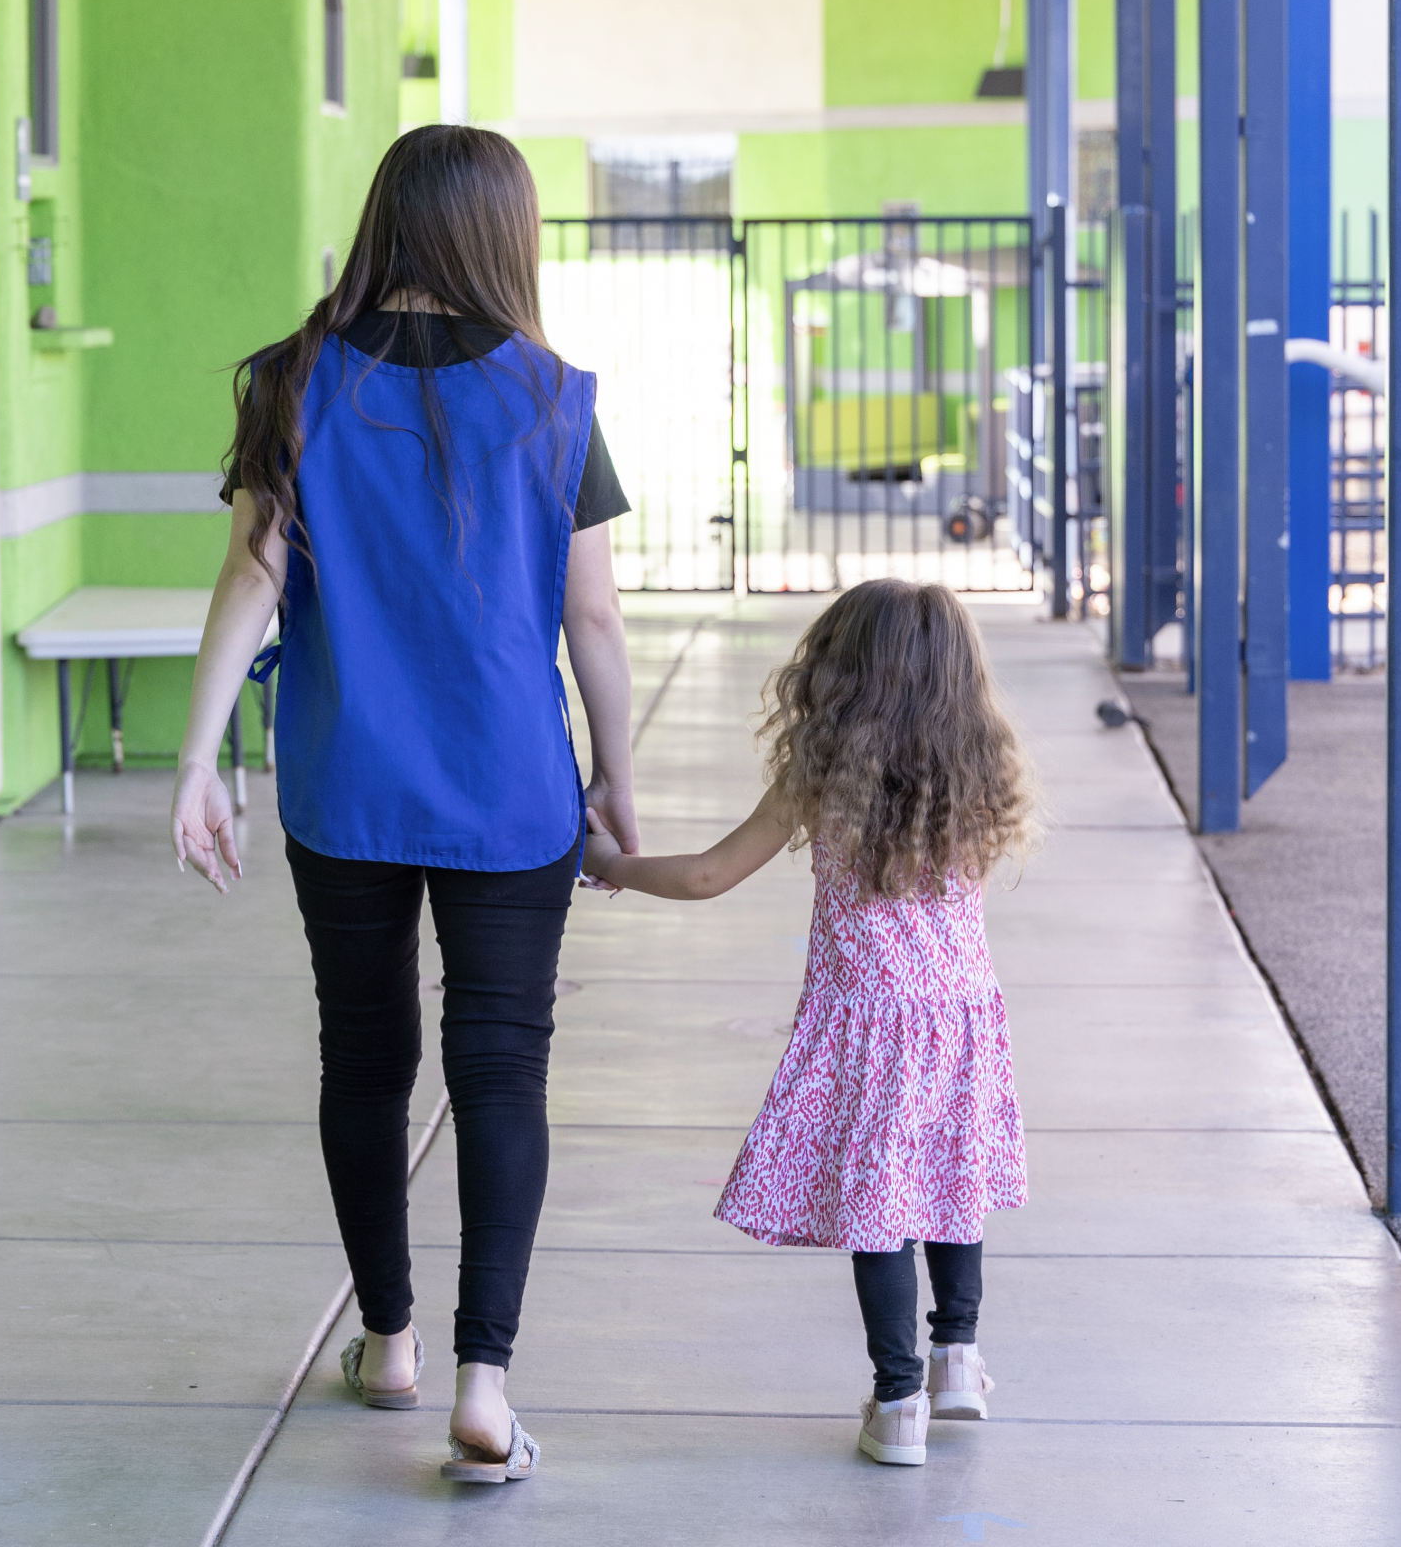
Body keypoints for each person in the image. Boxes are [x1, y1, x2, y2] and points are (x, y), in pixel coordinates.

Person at [170, 124, 636, 1486]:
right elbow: (592, 616)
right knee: (500, 1069)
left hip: (345, 788)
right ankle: (483, 1382)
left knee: (364, 1059)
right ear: (504, 233)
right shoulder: (554, 398)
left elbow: (251, 577)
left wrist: (197, 758)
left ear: (383, 221)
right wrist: (615, 773)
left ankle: (386, 1339)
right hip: (510, 793)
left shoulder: (294, 379)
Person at [579, 578, 1035, 1467]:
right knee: (951, 1182)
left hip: (866, 1028)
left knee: (878, 1211)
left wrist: (610, 865)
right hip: (957, 1023)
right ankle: (957, 1356)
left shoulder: (824, 780)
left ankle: (898, 1400)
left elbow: (711, 875)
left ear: (839, 676)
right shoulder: (977, 775)